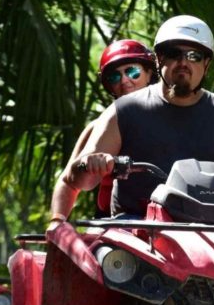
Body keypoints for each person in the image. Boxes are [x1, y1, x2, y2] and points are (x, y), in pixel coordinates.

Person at [49, 16, 214, 225]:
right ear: (158, 59)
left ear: (207, 64)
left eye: (194, 56)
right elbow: (77, 181)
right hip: (136, 235)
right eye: (173, 53)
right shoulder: (122, 112)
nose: (183, 62)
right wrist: (91, 164)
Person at [50, 39, 158, 218]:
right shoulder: (100, 125)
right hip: (120, 227)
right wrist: (57, 222)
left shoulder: (180, 115)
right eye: (115, 76)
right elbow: (68, 182)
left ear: (149, 73)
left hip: (180, 222)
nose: (124, 80)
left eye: (132, 71)